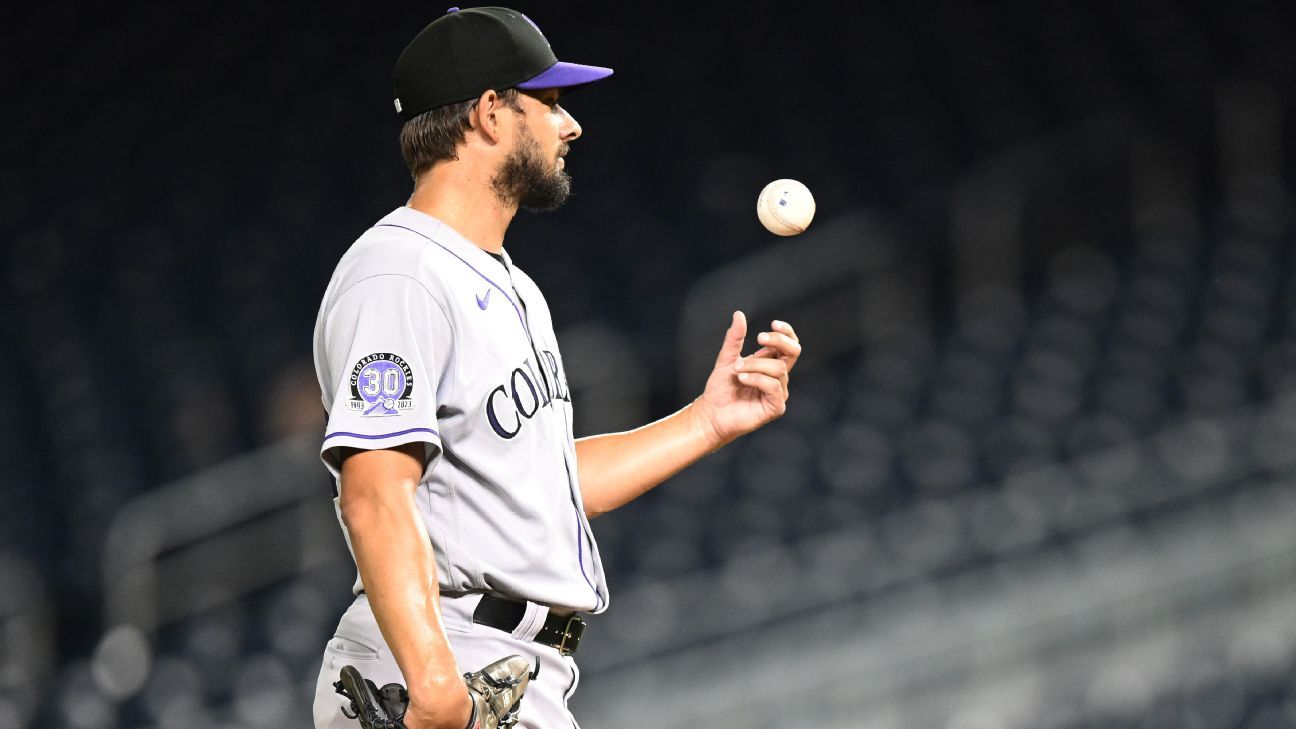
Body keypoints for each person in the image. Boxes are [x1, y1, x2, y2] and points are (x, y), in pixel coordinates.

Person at [311, 7, 802, 729]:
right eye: (548, 101)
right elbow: (373, 491)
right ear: (488, 114)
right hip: (438, 664)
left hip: (512, 670)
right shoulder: (400, 273)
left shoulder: (508, 282)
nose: (568, 125)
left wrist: (707, 420)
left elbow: (545, 486)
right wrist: (436, 682)